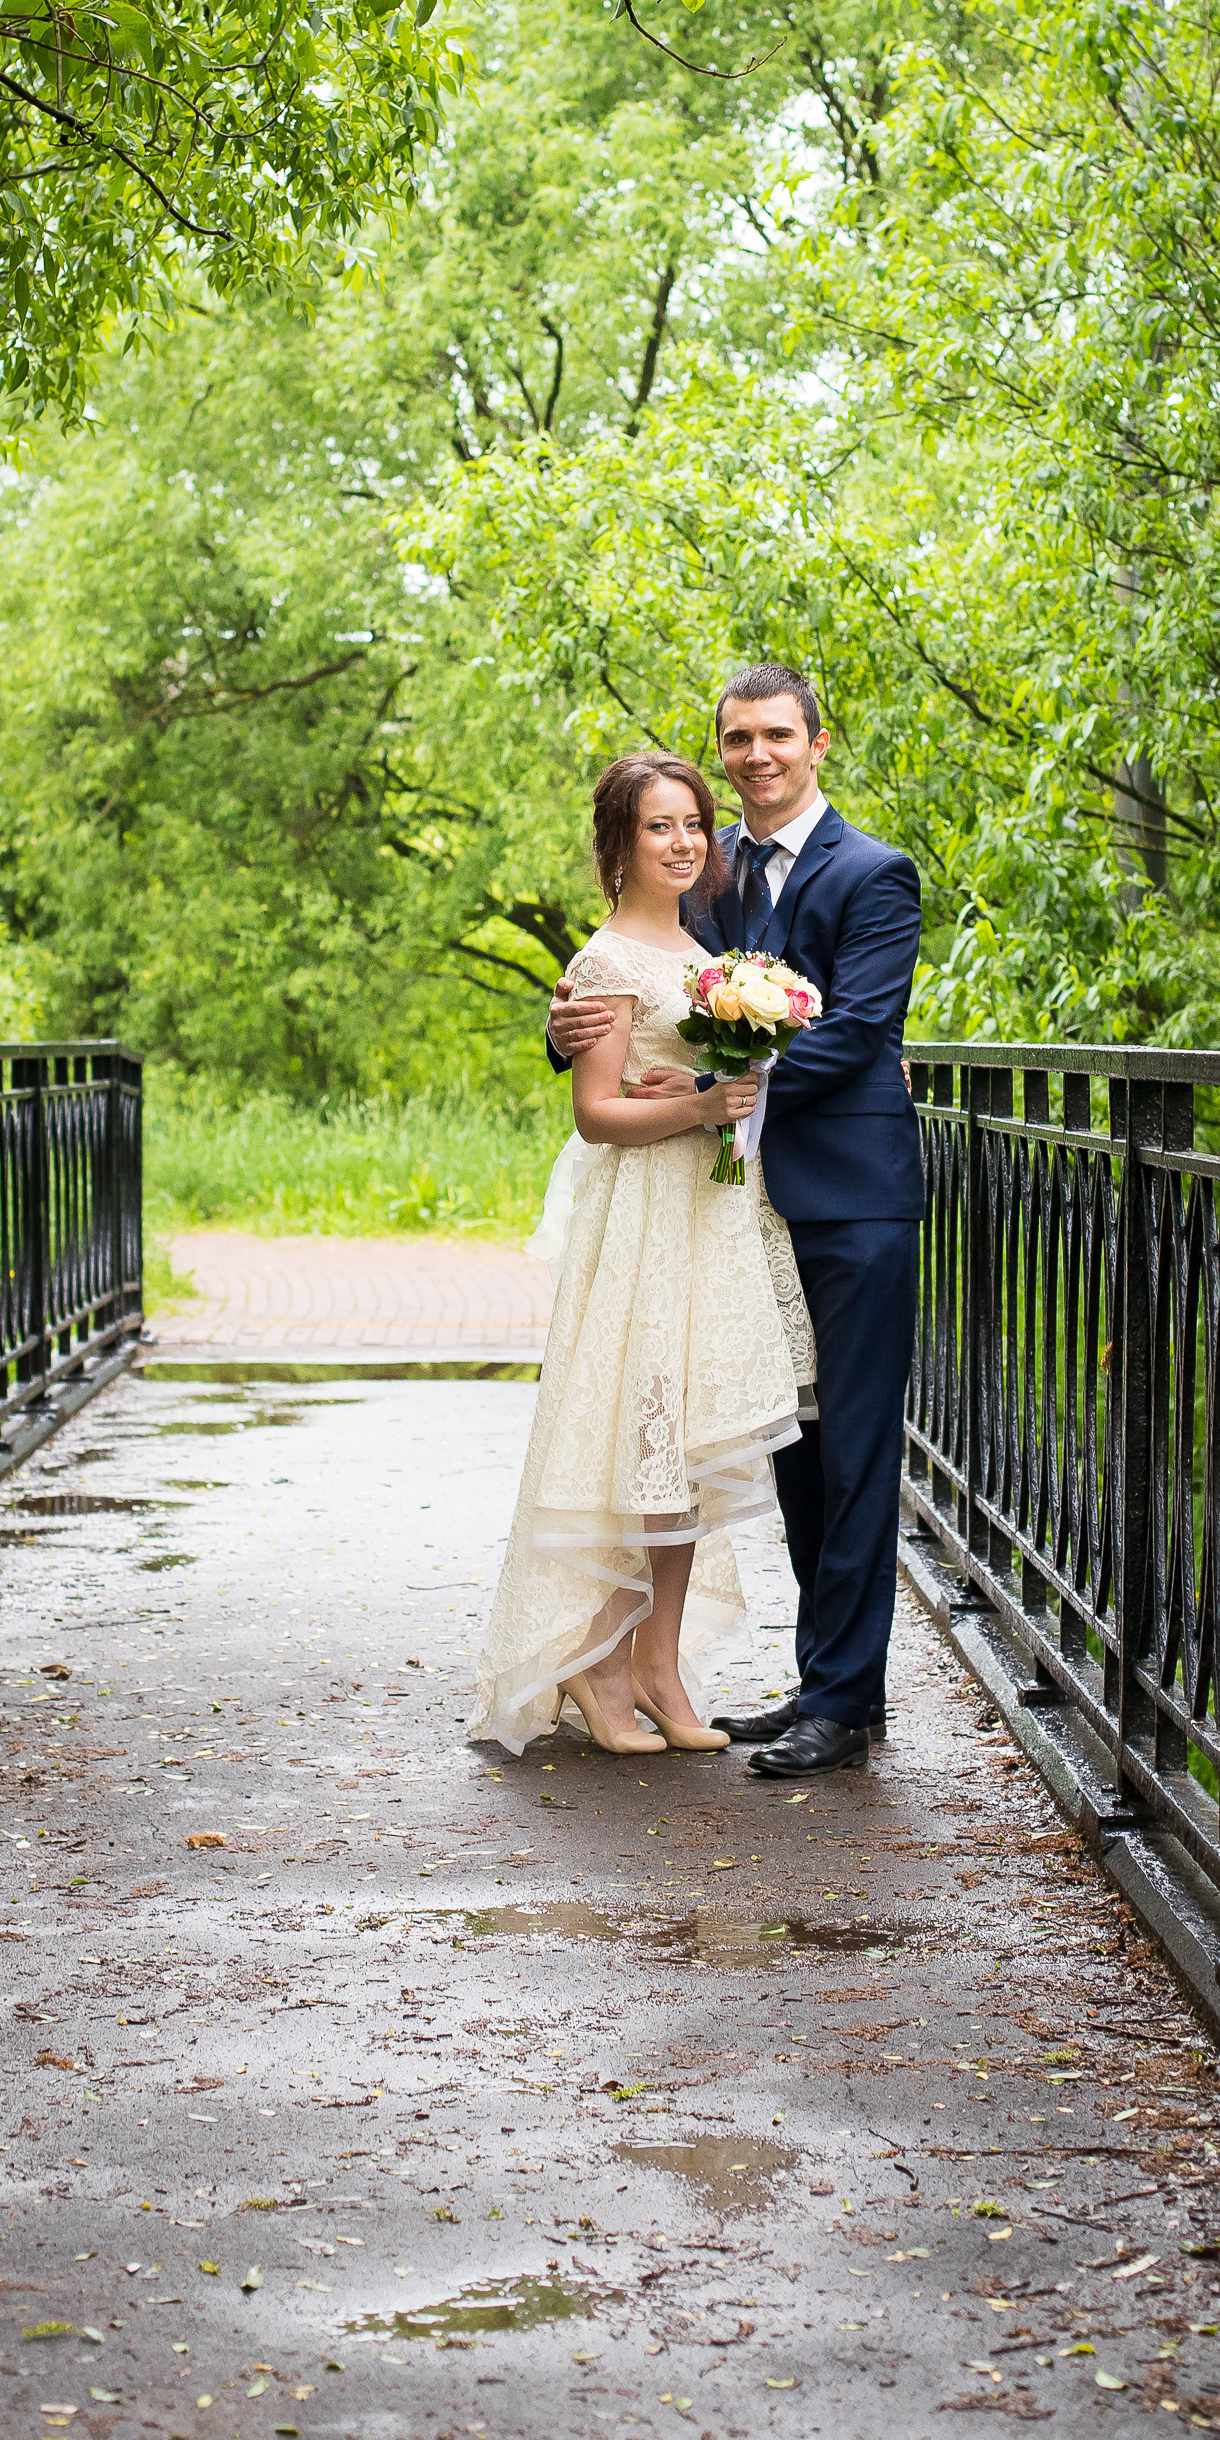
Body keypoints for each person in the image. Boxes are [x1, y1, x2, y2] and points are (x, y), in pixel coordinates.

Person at [546, 665, 922, 1781]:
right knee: (794, 1447)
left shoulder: (875, 873)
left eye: (777, 736)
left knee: (855, 1448)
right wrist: (565, 1033)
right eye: (737, 739)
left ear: (817, 743)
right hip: (735, 1211)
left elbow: (857, 1030)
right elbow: (638, 980)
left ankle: (843, 1703)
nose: (757, 756)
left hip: (850, 1198)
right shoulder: (703, 867)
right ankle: (829, 1682)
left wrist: (722, 1091)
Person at [471, 752, 816, 1760]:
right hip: (645, 1222)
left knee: (692, 1449)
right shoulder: (606, 960)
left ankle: (661, 1668)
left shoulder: (703, 951)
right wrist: (702, 1110)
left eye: (694, 823)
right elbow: (595, 1114)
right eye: (659, 825)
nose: (684, 841)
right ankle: (598, 1659)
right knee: (639, 1437)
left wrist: (730, 1089)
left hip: (712, 1217)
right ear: (618, 843)